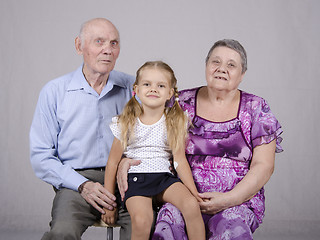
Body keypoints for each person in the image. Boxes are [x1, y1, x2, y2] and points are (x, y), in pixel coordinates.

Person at [117, 39, 283, 240]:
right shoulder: (179, 103)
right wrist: (126, 159)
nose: (222, 69)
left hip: (236, 202)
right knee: (167, 227)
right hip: (181, 195)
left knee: (230, 229)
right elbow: (144, 132)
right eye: (216, 62)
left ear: (242, 74)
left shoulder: (256, 108)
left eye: (231, 65)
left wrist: (230, 199)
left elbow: (264, 165)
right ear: (206, 66)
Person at [29, 18, 133, 240]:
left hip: (126, 179)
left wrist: (129, 161)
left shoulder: (133, 89)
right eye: (99, 42)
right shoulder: (54, 91)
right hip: (76, 180)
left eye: (114, 43)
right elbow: (41, 156)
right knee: (61, 233)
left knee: (145, 229)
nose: (108, 50)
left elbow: (159, 132)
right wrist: (82, 185)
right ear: (79, 46)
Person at [102, 61, 206, 240]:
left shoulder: (175, 120)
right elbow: (112, 162)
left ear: (170, 93)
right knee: (143, 220)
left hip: (164, 178)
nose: (153, 89)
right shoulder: (125, 122)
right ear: (136, 89)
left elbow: (179, 160)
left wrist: (193, 192)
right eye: (147, 84)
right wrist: (109, 204)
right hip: (136, 180)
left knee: (191, 205)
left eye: (161, 85)